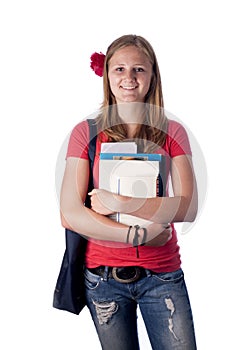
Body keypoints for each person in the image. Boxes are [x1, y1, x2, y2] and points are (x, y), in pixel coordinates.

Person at [60, 34, 198, 350]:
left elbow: (187, 206)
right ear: (107, 76)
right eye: (119, 69)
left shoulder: (171, 131)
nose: (129, 78)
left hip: (162, 275)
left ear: (152, 77)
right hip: (103, 280)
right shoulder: (87, 133)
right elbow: (69, 213)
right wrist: (139, 235)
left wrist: (122, 202)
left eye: (139, 69)